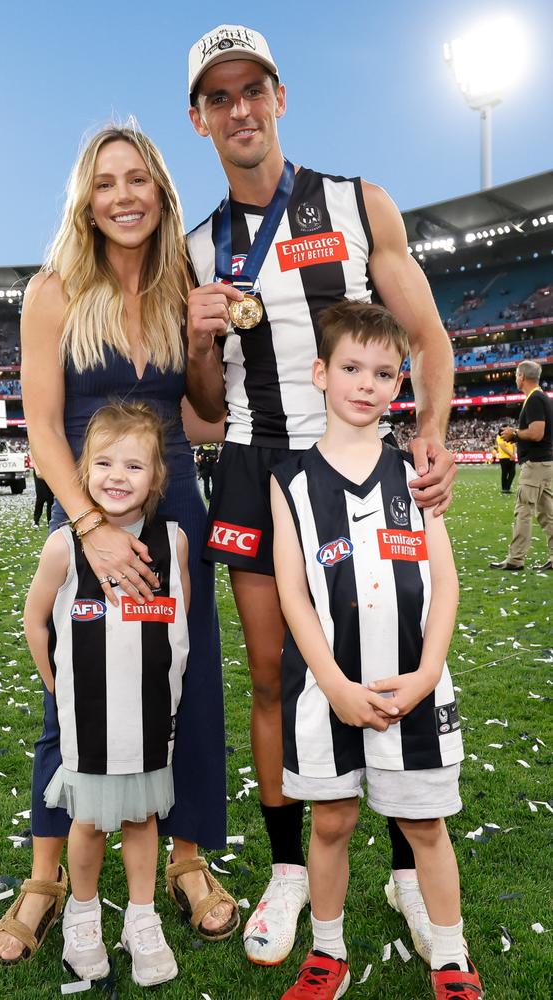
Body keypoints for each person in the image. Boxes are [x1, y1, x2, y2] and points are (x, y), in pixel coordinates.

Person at [185, 24, 456, 965]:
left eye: (253, 89)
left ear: (280, 98)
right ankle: (291, 867)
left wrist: (425, 433)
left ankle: (400, 860)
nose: (240, 109)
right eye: (219, 97)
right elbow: (205, 410)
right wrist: (192, 336)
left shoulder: (355, 201)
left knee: (381, 653)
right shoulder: (196, 246)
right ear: (200, 119)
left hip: (360, 462)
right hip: (260, 468)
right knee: (275, 676)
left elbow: (427, 338)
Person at [0, 123, 237, 965]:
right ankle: (47, 876)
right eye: (105, 183)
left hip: (175, 516)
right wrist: (87, 528)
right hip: (89, 515)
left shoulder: (181, 286)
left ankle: (188, 861)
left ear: (161, 191)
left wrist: (204, 342)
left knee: (186, 684)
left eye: (138, 179)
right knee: (77, 692)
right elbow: (44, 430)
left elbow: (206, 417)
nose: (123, 195)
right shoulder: (52, 290)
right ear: (85, 201)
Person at [272, 301, 483, 1000]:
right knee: (331, 821)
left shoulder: (417, 473)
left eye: (384, 372)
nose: (366, 383)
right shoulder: (290, 481)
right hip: (326, 690)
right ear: (320, 373)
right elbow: (293, 593)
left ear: (398, 385)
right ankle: (327, 953)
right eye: (352, 368)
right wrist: (331, 682)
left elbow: (446, 582)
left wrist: (426, 674)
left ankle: (450, 955)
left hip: (412, 688)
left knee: (425, 825)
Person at [24, 402, 189, 984]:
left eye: (133, 465)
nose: (117, 476)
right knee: (88, 824)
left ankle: (141, 918)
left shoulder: (174, 543)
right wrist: (55, 683)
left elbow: (178, 626)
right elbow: (35, 619)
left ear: (157, 477)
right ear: (82, 469)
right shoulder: (65, 545)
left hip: (148, 720)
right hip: (89, 722)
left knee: (144, 818)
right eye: (103, 463)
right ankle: (83, 913)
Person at [490, 360, 553, 572]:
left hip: (535, 464)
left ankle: (515, 559)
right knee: (547, 514)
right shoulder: (541, 398)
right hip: (545, 463)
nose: (515, 379)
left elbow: (536, 433)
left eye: (516, 375)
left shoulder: (535, 399)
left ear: (522, 377)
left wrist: (514, 433)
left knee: (523, 510)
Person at [31, 455, 54, 528]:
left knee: (51, 497)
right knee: (40, 496)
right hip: (40, 469)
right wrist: (37, 469)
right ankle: (36, 520)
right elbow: (32, 453)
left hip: (50, 469)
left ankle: (50, 521)